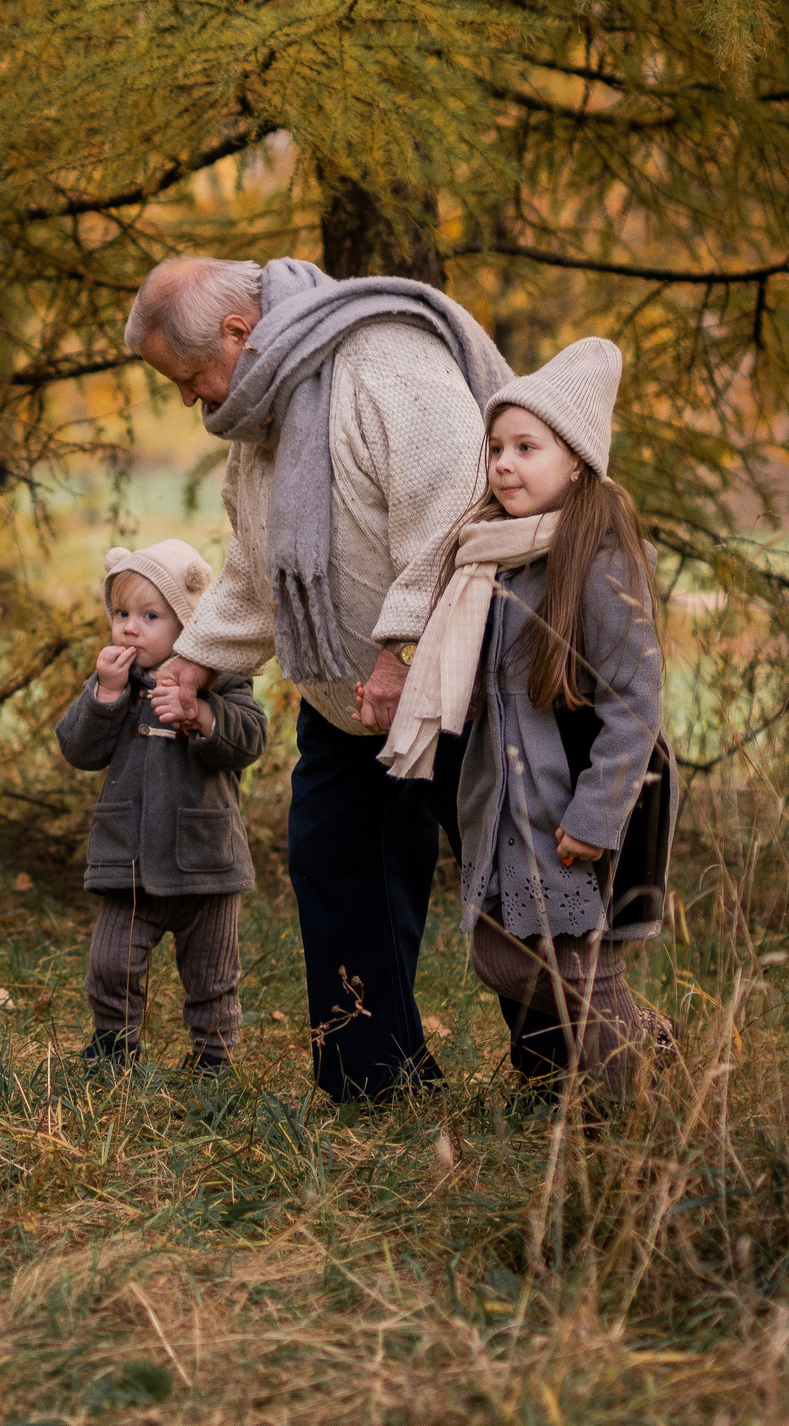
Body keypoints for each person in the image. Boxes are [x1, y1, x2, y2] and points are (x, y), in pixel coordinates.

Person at [130, 255, 504, 1101]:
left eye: (189, 377)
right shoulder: (267, 417)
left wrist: (402, 650)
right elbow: (256, 566)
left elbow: (456, 506)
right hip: (350, 698)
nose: (189, 399)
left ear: (238, 331)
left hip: (459, 677)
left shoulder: (384, 360)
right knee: (334, 864)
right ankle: (376, 1082)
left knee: (512, 877)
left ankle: (571, 1067)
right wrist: (192, 658)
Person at [379, 337, 673, 1112]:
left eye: (527, 448)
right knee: (502, 953)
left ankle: (632, 1106)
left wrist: (597, 815)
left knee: (576, 966)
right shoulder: (487, 553)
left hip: (567, 805)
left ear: (575, 460)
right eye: (497, 448)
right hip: (502, 800)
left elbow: (635, 702)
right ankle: (644, 1046)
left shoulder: (596, 559)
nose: (505, 464)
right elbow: (471, 673)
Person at [55, 540, 269, 1072]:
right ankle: (112, 1046)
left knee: (212, 973)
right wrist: (104, 695)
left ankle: (212, 1058)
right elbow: (79, 750)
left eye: (150, 616)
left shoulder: (223, 679)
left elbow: (251, 741)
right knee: (111, 962)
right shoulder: (116, 686)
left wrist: (202, 714)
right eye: (121, 614)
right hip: (127, 859)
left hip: (206, 859)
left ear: (190, 625)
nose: (130, 628)